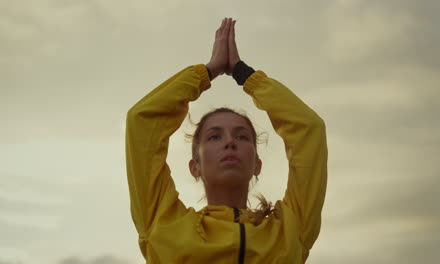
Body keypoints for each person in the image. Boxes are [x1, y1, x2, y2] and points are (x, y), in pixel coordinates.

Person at [125, 17, 328, 263]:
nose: (230, 143)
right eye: (214, 136)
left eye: (242, 137)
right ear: (194, 166)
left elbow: (309, 129)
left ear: (257, 165)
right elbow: (142, 122)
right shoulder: (161, 223)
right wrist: (208, 71)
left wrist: (245, 75)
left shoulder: (290, 230)